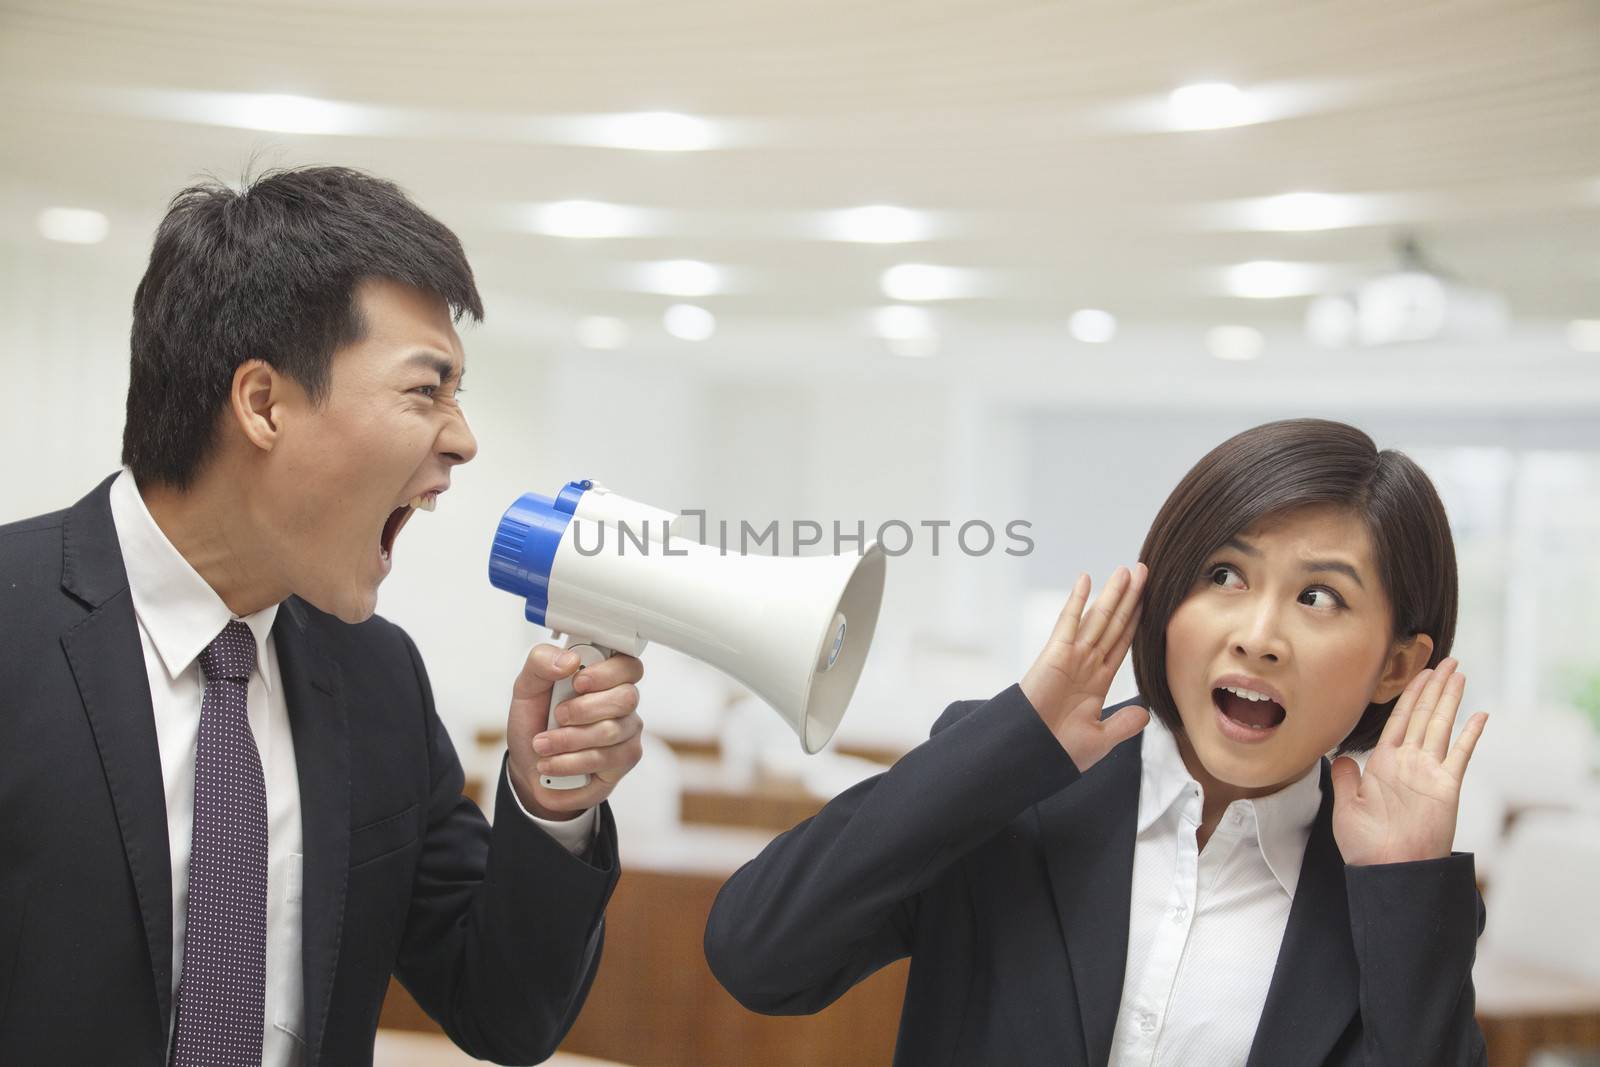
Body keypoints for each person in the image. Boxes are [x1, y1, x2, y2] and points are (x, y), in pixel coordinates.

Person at [0, 166, 645, 1066]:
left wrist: (552, 804)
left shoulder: (376, 675)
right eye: (427, 390)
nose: (462, 440)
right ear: (263, 402)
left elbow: (506, 1010)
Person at [705, 418, 1490, 1066]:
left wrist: (1404, 889)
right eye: (1224, 575)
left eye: (1319, 597)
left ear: (1395, 666)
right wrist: (1011, 740)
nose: (1259, 636)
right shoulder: (1009, 792)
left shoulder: (1381, 897)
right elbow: (757, 953)